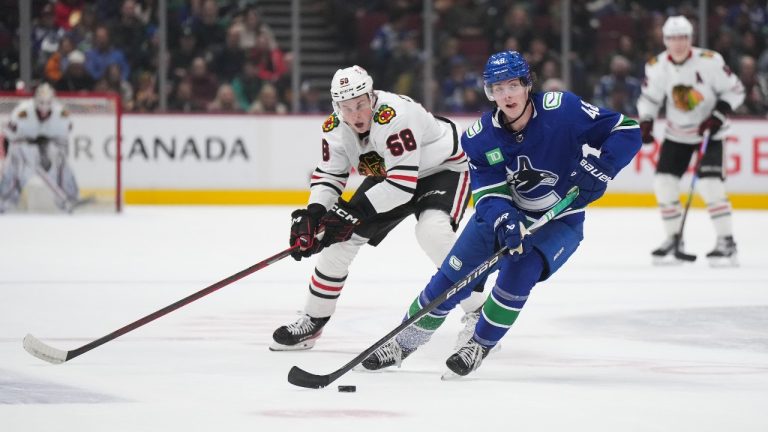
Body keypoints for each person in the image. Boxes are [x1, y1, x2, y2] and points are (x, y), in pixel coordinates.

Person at [360, 51, 641, 377]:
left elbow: (627, 129)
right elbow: (489, 194)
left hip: (559, 220)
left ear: (526, 84)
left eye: (512, 85)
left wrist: (603, 167)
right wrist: (507, 220)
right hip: (500, 217)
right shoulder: (480, 137)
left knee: (519, 274)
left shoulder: (563, 110)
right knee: (451, 279)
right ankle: (403, 342)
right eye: (497, 88)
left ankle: (479, 343)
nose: (506, 95)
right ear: (488, 92)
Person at [270, 65, 486, 351]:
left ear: (371, 97)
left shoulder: (396, 115)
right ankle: (314, 318)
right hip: (392, 176)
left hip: (443, 168)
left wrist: (350, 213)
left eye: (360, 104)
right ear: (337, 107)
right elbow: (330, 175)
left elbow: (401, 186)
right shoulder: (334, 128)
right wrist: (314, 215)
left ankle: (480, 313)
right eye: (347, 108)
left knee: (432, 233)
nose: (356, 114)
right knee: (338, 242)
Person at [637, 16, 745, 267]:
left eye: (683, 37)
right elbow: (649, 98)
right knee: (664, 184)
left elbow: (735, 89)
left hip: (710, 132)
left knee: (710, 185)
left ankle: (726, 242)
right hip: (678, 133)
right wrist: (647, 121)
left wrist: (719, 112)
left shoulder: (710, 61)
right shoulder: (657, 66)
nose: (678, 43)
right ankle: (674, 239)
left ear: (690, 38)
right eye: (673, 38)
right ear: (665, 40)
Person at [0, 83, 80, 213]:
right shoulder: (22, 111)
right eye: (41, 102)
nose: (44, 107)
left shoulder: (61, 114)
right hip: (23, 151)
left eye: (47, 102)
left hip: (48, 151)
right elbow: (8, 135)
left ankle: (70, 198)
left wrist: (46, 148)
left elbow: (63, 140)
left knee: (60, 161)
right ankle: (5, 201)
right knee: (15, 165)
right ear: (35, 100)